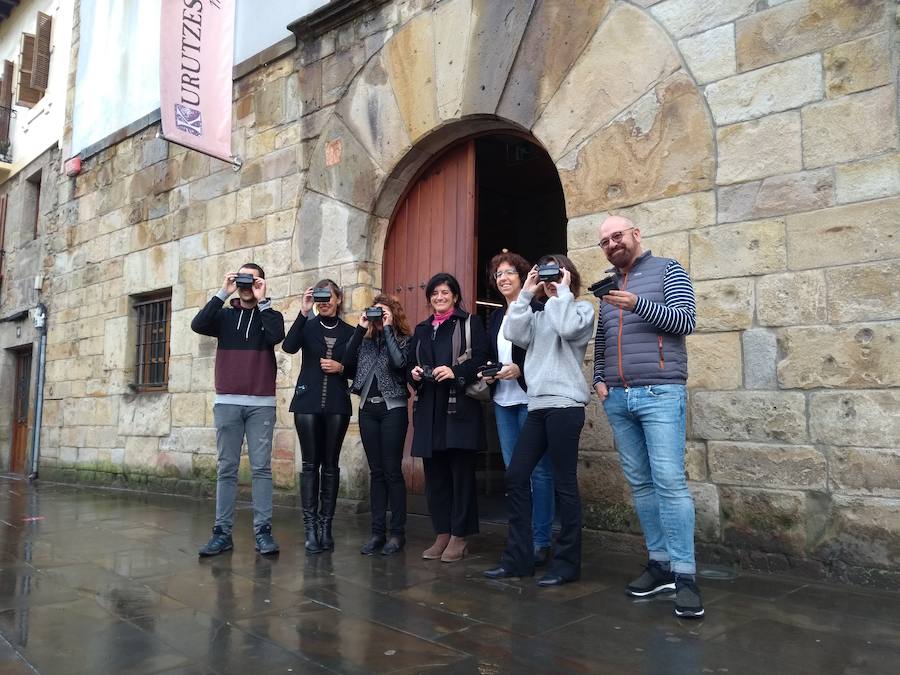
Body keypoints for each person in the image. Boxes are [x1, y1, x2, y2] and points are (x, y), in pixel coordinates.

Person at [592, 215, 703, 619]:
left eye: (617, 236)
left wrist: (638, 304)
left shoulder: (668, 270)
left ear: (636, 234)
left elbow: (686, 320)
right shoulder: (607, 287)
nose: (612, 244)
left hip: (660, 393)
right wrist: (599, 379)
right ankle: (660, 564)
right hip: (618, 398)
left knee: (669, 482)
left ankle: (685, 575)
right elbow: (602, 339)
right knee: (641, 484)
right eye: (605, 241)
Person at [483, 254, 594, 586]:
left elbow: (568, 328)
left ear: (569, 275)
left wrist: (562, 291)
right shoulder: (538, 312)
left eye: (555, 272)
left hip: (565, 406)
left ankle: (567, 564)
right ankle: (518, 558)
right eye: (543, 272)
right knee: (516, 476)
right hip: (536, 406)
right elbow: (514, 332)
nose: (548, 278)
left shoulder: (581, 309)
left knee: (564, 483)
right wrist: (527, 293)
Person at [191, 263, 285, 557]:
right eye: (242, 278)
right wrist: (224, 291)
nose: (246, 285)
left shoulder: (270, 315)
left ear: (262, 283)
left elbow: (275, 336)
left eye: (252, 280)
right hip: (227, 401)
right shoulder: (224, 315)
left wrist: (262, 300)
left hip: (261, 404)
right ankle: (222, 534)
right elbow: (198, 324)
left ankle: (263, 533)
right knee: (227, 468)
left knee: (261, 469)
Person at [408, 273, 488, 563]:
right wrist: (414, 374)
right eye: (434, 293)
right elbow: (410, 365)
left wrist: (456, 372)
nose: (439, 297)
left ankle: (460, 535)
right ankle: (442, 532)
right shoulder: (422, 329)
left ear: (455, 296)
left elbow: (481, 358)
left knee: (461, 476)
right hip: (429, 409)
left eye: (445, 292)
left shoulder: (470, 323)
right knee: (436, 477)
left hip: (459, 408)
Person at [483, 250, 554, 567]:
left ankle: (541, 540)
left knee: (539, 472)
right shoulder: (496, 317)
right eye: (498, 274)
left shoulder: (538, 309)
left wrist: (520, 369)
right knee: (514, 473)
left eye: (509, 272)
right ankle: (520, 538)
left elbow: (547, 353)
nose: (503, 278)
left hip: (530, 400)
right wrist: (489, 372)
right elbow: (491, 354)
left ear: (523, 276)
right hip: (503, 401)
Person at [283, 280, 355, 554]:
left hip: (337, 404)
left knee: (331, 466)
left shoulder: (350, 332)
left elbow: (357, 368)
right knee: (310, 465)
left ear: (339, 299)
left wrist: (341, 367)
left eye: (329, 296)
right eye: (319, 297)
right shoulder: (308, 326)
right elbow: (289, 346)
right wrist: (303, 311)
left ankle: (326, 526)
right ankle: (310, 527)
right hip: (307, 402)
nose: (324, 302)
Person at [342, 294, 412, 556]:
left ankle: (397, 534)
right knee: (377, 472)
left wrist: (389, 329)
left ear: (393, 314)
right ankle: (377, 532)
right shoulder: (365, 341)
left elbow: (399, 364)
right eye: (375, 312)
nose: (378, 317)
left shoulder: (404, 339)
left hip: (393, 409)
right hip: (367, 410)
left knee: (392, 471)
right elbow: (346, 364)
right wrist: (360, 328)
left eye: (383, 313)